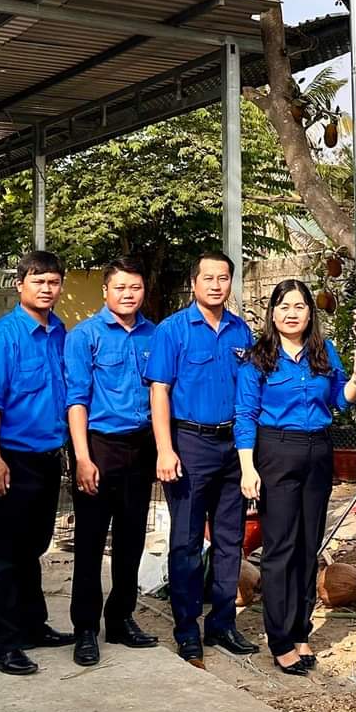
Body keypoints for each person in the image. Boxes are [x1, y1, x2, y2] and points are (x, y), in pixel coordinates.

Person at [235, 279, 356, 675]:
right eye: (284, 306)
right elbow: (245, 415)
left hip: (318, 450)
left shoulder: (325, 352)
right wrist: (248, 467)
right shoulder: (258, 358)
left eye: (300, 306)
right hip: (276, 450)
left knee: (308, 545)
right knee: (280, 548)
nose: (292, 313)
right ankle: (280, 639)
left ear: (310, 313)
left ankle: (301, 630)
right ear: (273, 313)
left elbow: (339, 400)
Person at [145, 250, 259, 666]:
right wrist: (165, 449)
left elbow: (250, 392)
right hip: (190, 444)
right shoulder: (172, 330)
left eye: (223, 278)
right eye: (208, 278)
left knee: (230, 541)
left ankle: (223, 624)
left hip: (232, 447)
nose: (216, 285)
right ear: (194, 283)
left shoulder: (241, 331)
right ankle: (187, 629)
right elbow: (159, 391)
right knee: (187, 541)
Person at [0, 251, 72, 676]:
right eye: (38, 281)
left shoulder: (59, 332)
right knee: (4, 554)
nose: (46, 289)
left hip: (48, 458)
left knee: (34, 547)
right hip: (13, 459)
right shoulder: (2, 338)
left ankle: (32, 626)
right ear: (20, 285)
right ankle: (3, 645)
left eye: (53, 282)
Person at [65, 256, 159, 667]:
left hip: (141, 446)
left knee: (131, 538)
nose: (128, 294)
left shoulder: (155, 335)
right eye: (120, 287)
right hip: (99, 446)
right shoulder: (84, 336)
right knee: (89, 541)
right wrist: (82, 458)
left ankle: (120, 618)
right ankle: (85, 628)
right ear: (106, 291)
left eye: (135, 287)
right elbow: (76, 400)